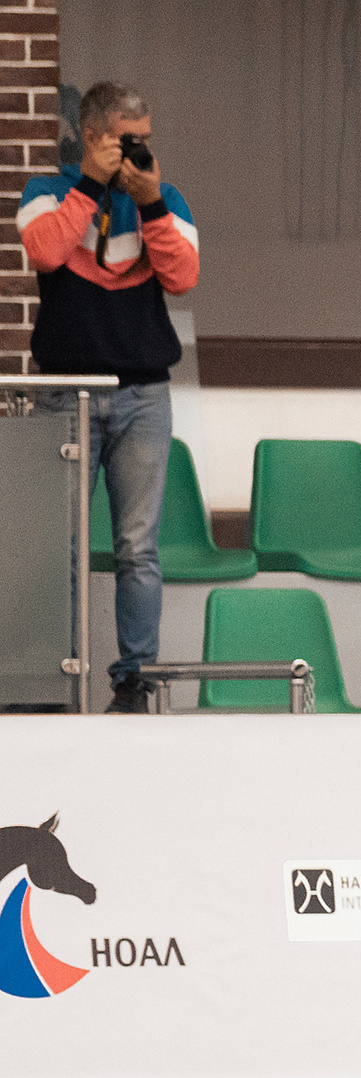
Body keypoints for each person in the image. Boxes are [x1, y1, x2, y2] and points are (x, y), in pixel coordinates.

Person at [16, 82, 200, 713]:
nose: (141, 151)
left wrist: (149, 206)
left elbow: (182, 277)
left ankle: (133, 681)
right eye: (129, 140)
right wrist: (90, 187)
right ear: (93, 137)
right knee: (56, 543)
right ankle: (48, 680)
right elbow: (43, 250)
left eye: (146, 138)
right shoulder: (45, 192)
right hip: (66, 391)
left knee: (137, 547)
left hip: (143, 393)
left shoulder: (164, 199)